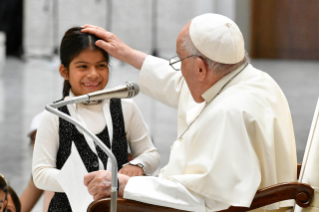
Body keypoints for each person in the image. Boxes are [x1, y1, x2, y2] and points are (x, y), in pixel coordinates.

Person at [81, 13, 297, 212]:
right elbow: (181, 83)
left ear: (201, 69)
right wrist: (127, 54)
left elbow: (205, 199)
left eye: (180, 60)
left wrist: (124, 185)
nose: (179, 71)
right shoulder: (252, 80)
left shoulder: (229, 112)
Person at [32, 27, 160, 212]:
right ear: (64, 71)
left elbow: (151, 154)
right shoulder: (54, 114)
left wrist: (138, 164)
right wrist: (88, 182)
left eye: (100, 65)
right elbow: (41, 173)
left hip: (117, 206)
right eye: (83, 66)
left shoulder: (126, 107)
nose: (93, 74)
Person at [20, 112, 54, 212]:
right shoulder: (40, 174)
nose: (38, 146)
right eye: (34, 140)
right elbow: (19, 208)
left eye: (45, 139)